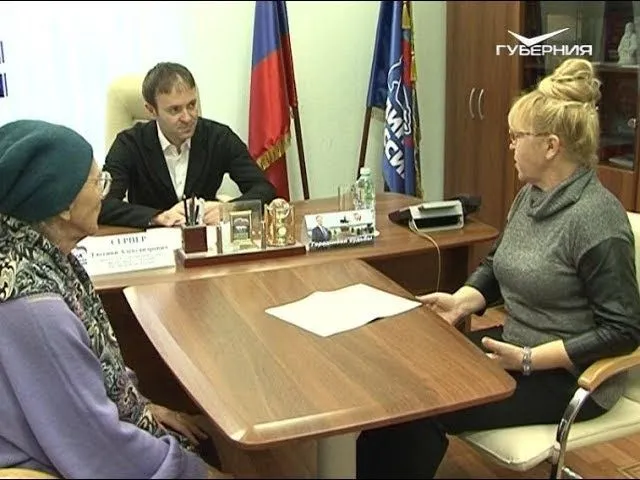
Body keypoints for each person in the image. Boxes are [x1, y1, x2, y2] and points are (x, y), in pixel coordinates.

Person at [355, 58, 640, 478]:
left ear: (551, 146)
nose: (510, 146)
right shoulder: (530, 197)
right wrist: (463, 300)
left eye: (517, 136)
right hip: (513, 349)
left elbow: (623, 330)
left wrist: (530, 359)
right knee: (401, 380)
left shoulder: (596, 219)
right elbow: (498, 263)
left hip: (570, 377)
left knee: (419, 408)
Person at [0, 119, 231, 479]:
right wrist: (198, 474)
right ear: (62, 204)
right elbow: (98, 448)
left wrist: (142, 407)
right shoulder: (34, 306)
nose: (104, 195)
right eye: (98, 183)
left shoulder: (34, 254)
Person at [99, 62, 276, 229]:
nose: (187, 117)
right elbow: (104, 205)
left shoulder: (219, 137)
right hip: (152, 241)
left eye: (191, 105)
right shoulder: (129, 144)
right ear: (151, 110)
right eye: (175, 110)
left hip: (204, 240)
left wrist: (229, 210)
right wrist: (158, 217)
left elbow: (264, 189)